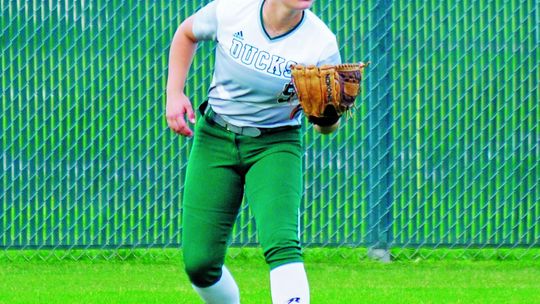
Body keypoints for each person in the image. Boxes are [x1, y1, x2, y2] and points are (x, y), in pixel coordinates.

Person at [166, 0, 341, 303]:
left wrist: (326, 118)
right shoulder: (233, 10)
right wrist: (174, 93)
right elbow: (186, 33)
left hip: (275, 145)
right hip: (216, 137)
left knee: (282, 243)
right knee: (200, 264)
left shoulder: (321, 44)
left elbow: (325, 127)